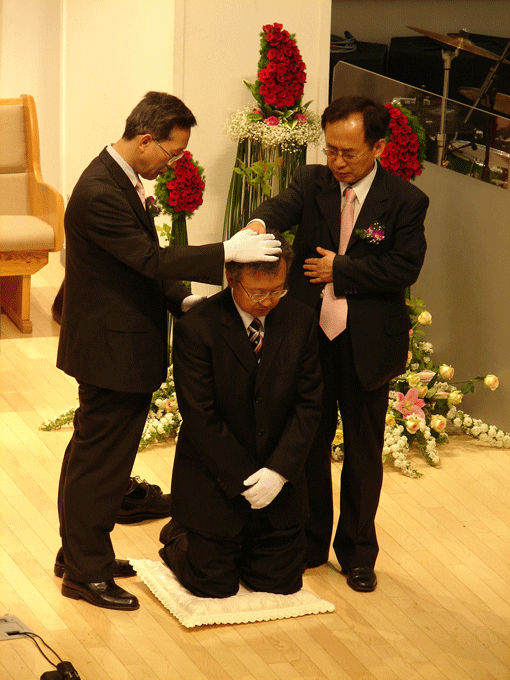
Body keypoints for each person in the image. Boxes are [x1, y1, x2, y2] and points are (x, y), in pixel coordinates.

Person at [56, 91, 281, 611]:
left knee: (95, 457)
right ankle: (85, 572)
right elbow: (148, 259)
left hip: (113, 345)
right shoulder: (101, 191)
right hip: (111, 352)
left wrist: (182, 299)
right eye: (172, 153)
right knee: (100, 465)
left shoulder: (117, 180)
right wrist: (227, 252)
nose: (173, 163)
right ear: (145, 140)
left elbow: (136, 266)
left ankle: (80, 553)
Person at [248, 96, 428, 592]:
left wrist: (340, 270)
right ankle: (309, 542)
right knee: (307, 441)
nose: (337, 162)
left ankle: (357, 552)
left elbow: (404, 267)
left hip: (366, 344)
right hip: (311, 337)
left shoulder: (405, 200)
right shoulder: (313, 182)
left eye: (349, 152)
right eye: (330, 150)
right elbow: (280, 208)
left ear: (379, 147)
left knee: (364, 453)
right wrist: (258, 225)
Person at [159, 233, 323, 598]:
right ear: (232, 279)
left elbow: (309, 404)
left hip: (278, 485)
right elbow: (201, 417)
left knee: (279, 583)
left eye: (277, 290)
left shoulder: (301, 320)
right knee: (212, 584)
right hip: (216, 480)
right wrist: (244, 479)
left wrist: (278, 473)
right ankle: (180, 534)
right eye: (257, 292)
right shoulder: (197, 327)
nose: (267, 301)